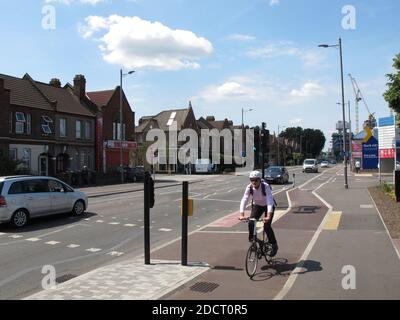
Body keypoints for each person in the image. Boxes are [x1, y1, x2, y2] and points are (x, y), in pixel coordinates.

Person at [239, 170, 278, 257]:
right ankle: (253, 241)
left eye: (256, 180)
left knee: (267, 226)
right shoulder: (249, 187)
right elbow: (244, 199)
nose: (254, 182)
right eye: (251, 180)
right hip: (257, 205)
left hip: (268, 206)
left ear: (260, 180)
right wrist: (241, 214)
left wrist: (268, 216)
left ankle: (274, 244)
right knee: (251, 222)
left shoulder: (266, 186)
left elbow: (269, 201)